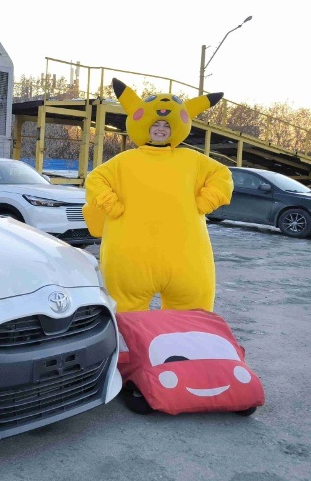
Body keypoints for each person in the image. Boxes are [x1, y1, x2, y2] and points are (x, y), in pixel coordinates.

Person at [82, 78, 233, 313]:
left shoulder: (192, 160)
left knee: (191, 314)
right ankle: (127, 338)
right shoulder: (124, 161)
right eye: (156, 124)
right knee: (126, 314)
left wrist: (207, 201)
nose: (161, 129)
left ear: (177, 128)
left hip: (184, 258)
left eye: (166, 126)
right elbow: (95, 180)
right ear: (144, 125)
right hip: (131, 257)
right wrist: (110, 204)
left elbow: (222, 175)